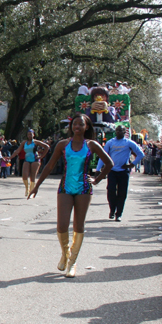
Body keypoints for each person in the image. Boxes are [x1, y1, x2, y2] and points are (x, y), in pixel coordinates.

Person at [29, 114, 113, 278]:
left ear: (86, 127)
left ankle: (72, 263)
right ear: (71, 126)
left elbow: (109, 163)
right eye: (74, 124)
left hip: (83, 188)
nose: (77, 127)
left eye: (81, 124)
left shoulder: (91, 145)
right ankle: (65, 253)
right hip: (65, 188)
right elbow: (49, 166)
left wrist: (97, 179)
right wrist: (36, 186)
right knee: (61, 225)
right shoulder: (62, 144)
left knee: (78, 226)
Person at [97, 125, 144, 222]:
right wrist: (98, 169)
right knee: (111, 192)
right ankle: (112, 210)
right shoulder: (110, 143)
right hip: (112, 171)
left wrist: (132, 164)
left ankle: (119, 214)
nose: (119, 132)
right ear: (115, 131)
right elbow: (103, 156)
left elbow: (141, 154)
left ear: (124, 132)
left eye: (121, 130)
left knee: (122, 193)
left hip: (123, 172)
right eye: (117, 130)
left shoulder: (129, 143)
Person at [10, 130, 50, 198]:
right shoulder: (24, 143)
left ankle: (31, 191)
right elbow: (18, 150)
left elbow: (47, 147)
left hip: (35, 159)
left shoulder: (36, 142)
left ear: (33, 135)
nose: (29, 136)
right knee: (24, 175)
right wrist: (10, 157)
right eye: (28, 134)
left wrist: (41, 156)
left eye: (31, 134)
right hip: (27, 159)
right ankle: (27, 188)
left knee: (32, 176)